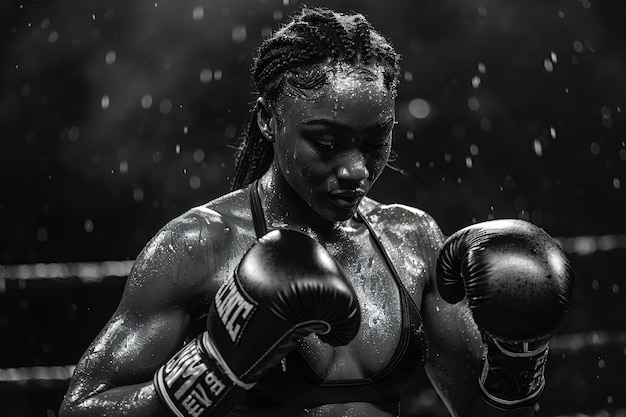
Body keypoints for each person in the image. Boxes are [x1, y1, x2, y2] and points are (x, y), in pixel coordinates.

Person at [59, 7, 574, 417]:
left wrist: (517, 360)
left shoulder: (413, 240)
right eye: (326, 143)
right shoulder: (202, 245)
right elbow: (82, 408)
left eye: (375, 141)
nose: (355, 170)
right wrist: (213, 369)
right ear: (268, 120)